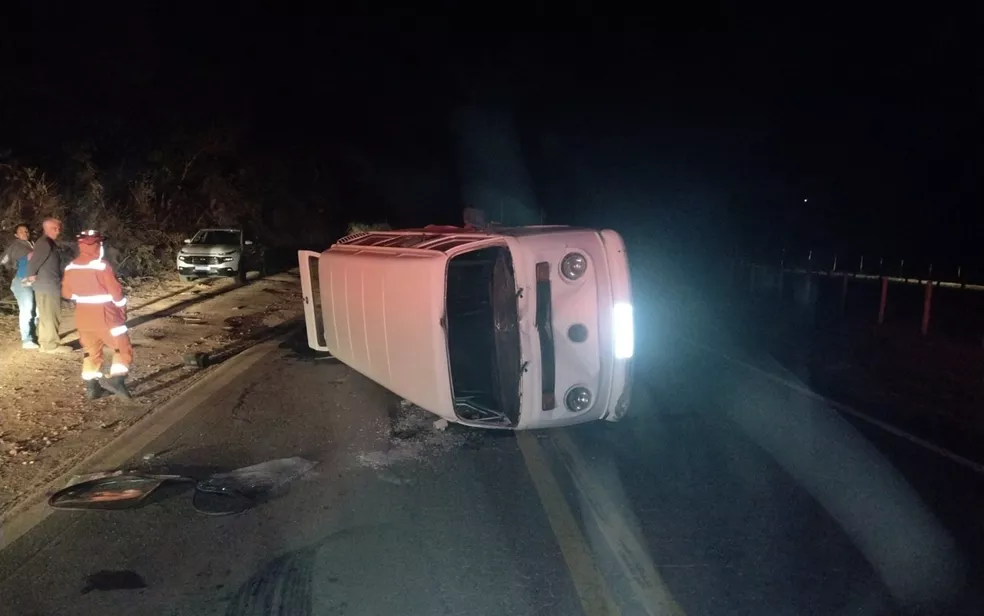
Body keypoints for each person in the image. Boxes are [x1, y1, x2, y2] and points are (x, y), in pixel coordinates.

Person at [61, 230, 133, 401]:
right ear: (96, 245)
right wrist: (122, 310)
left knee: (91, 352)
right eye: (100, 244)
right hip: (106, 316)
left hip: (83, 318)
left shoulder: (71, 267)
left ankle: (92, 388)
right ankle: (117, 379)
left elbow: (67, 293)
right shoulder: (101, 265)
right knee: (122, 347)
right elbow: (116, 292)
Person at [24, 217, 71, 353]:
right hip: (47, 285)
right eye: (54, 228)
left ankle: (46, 343)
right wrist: (30, 274)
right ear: (45, 229)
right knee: (51, 314)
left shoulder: (47, 242)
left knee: (47, 314)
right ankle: (51, 345)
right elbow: (34, 261)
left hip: (48, 284)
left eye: (58, 228)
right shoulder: (45, 243)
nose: (58, 231)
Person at [1, 224, 38, 348]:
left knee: (37, 310)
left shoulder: (32, 244)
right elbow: (4, 259)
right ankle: (26, 339)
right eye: (21, 231)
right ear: (16, 235)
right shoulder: (16, 246)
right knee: (27, 308)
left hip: (34, 281)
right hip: (22, 280)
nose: (25, 233)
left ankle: (34, 336)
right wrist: (13, 267)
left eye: (26, 231)